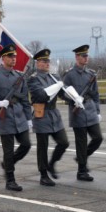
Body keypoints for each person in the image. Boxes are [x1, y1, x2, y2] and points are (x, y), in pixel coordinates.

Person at [0, 44, 33, 191]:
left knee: (26, 145)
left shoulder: (19, 76)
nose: (13, 59)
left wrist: (29, 118)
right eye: (10, 56)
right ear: (3, 58)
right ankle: (10, 180)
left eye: (14, 56)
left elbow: (25, 99)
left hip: (20, 117)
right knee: (8, 151)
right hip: (5, 118)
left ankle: (7, 163)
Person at [28, 48, 70, 186]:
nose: (47, 64)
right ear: (37, 63)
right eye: (44, 61)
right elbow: (41, 95)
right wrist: (56, 86)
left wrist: (73, 97)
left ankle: (51, 164)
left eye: (48, 61)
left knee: (64, 142)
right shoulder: (33, 79)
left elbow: (62, 94)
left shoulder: (54, 77)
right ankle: (43, 174)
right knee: (43, 147)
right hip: (41, 114)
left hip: (54, 114)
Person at [62, 44, 103, 181]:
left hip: (90, 110)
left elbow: (95, 94)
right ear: (77, 57)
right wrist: (73, 99)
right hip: (77, 112)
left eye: (87, 55)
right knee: (81, 142)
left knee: (98, 138)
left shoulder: (91, 74)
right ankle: (82, 171)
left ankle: (82, 157)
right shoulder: (69, 74)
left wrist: (98, 111)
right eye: (83, 56)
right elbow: (62, 92)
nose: (86, 58)